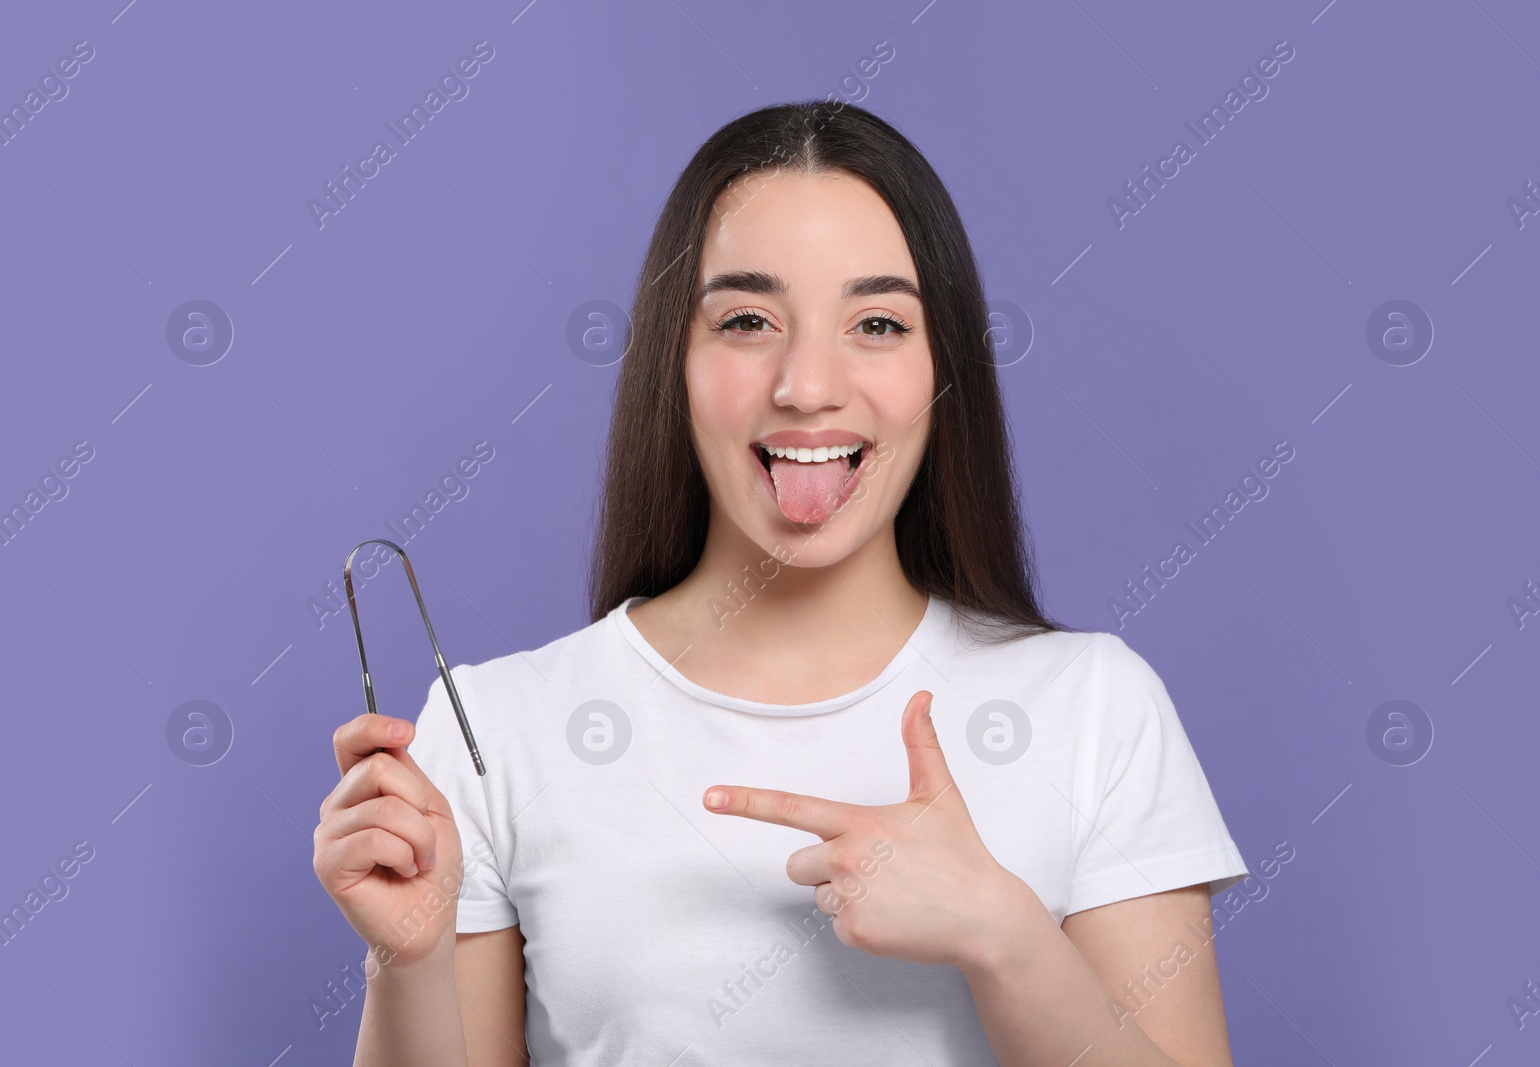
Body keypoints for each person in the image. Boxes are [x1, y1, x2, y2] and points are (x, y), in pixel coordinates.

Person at [314, 99, 1249, 1066]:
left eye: (878, 322)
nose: (807, 384)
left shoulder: (1095, 709)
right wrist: (407, 962)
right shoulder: (493, 730)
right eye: (748, 320)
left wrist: (1007, 937)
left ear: (945, 370)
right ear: (674, 362)